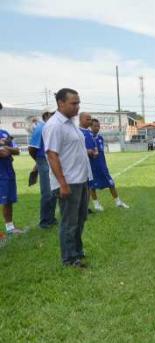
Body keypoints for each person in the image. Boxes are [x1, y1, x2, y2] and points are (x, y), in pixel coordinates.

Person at [43, 88, 93, 267]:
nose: (77, 107)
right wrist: (63, 184)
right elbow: (52, 155)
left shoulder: (71, 123)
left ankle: (77, 252)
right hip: (68, 182)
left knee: (80, 219)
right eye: (73, 103)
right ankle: (69, 258)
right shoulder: (54, 125)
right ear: (60, 103)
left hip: (80, 179)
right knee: (69, 222)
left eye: (78, 103)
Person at [88, 119, 129, 210]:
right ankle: (96, 204)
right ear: (90, 127)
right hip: (91, 167)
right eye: (95, 126)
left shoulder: (100, 138)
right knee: (92, 186)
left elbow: (101, 153)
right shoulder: (87, 138)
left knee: (111, 183)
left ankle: (118, 202)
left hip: (102, 166)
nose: (97, 128)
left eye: (98, 126)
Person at [28, 111, 58, 229]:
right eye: (52, 114)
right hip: (43, 160)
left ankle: (51, 218)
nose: (55, 116)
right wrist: (38, 161)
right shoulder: (40, 128)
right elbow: (32, 148)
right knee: (47, 192)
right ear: (46, 115)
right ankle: (44, 221)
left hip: (52, 160)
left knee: (54, 190)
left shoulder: (51, 128)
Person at [0, 128, 23, 234]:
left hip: (8, 172)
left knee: (8, 201)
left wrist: (5, 147)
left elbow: (17, 150)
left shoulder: (4, 132)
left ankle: (10, 228)